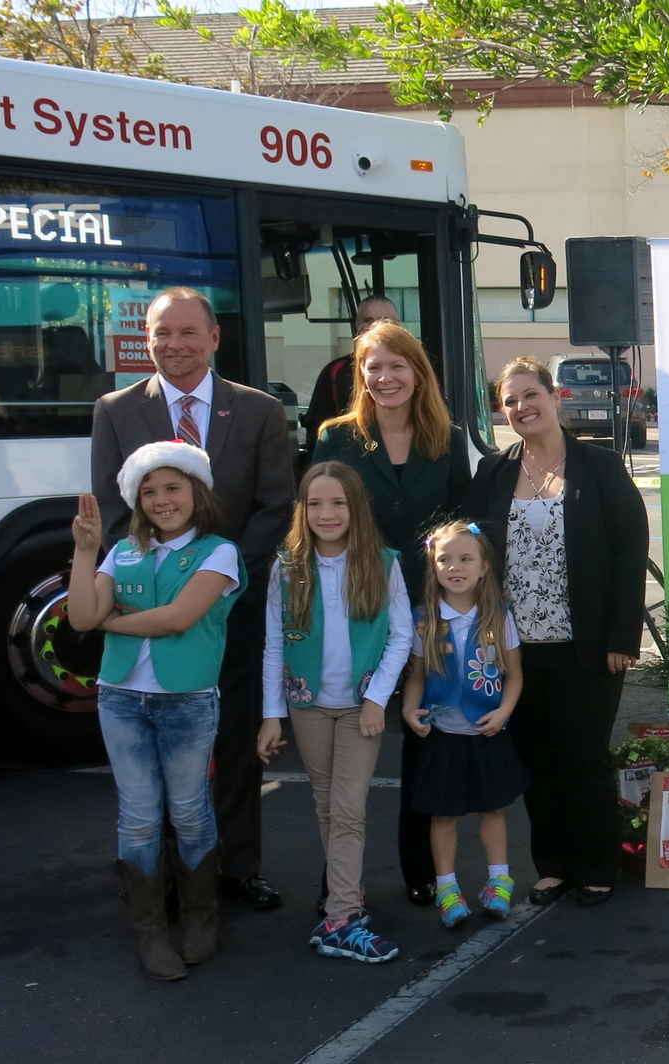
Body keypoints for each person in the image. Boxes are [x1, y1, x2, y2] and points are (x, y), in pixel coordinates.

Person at [90, 287, 293, 912]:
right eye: (162, 334)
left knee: (233, 740)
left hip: (232, 607)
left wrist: (215, 577)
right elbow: (113, 511)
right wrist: (159, 588)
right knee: (159, 754)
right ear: (147, 340)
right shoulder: (115, 410)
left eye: (186, 332)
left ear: (213, 339)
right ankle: (164, 875)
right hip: (151, 613)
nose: (174, 345)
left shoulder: (259, 411)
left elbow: (275, 506)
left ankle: (237, 867)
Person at [468, 357, 649, 907]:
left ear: (554, 397)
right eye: (510, 401)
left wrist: (623, 637)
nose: (522, 407)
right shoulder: (493, 473)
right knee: (536, 761)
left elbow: (630, 550)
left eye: (530, 395)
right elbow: (472, 552)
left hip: (587, 646)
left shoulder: (599, 466)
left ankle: (597, 865)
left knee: (582, 756)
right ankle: (553, 866)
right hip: (516, 649)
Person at [66, 442, 244, 981]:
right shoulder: (122, 551)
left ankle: (200, 917)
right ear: (137, 501)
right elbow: (80, 617)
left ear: (196, 492)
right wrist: (85, 552)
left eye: (172, 487)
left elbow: (177, 619)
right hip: (121, 699)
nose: (162, 499)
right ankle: (148, 930)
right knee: (139, 817)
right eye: (149, 491)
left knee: (189, 811)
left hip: (187, 700)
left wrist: (112, 622)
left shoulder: (219, 552)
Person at [312, 321, 472, 907]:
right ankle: (336, 884)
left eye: (396, 365)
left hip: (430, 608)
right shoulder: (336, 438)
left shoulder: (447, 438)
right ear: (361, 376)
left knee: (422, 736)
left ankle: (420, 868)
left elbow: (462, 522)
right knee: (343, 754)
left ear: (417, 373)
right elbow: (318, 515)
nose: (385, 378)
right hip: (357, 608)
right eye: (373, 367)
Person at [256, 462, 413, 962]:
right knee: (327, 807)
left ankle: (340, 917)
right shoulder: (287, 567)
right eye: (315, 503)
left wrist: (377, 699)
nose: (326, 513)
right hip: (308, 706)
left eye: (338, 503)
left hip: (359, 708)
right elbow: (274, 645)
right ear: (302, 510)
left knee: (348, 809)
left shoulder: (382, 563)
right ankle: (349, 897)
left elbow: (402, 636)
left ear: (356, 508)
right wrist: (271, 715)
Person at [399, 521, 527, 928]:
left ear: (484, 567)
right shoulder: (424, 620)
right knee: (443, 814)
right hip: (443, 734)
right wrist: (409, 709)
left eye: (466, 559)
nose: (455, 567)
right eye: (445, 559)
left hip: (487, 731)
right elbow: (417, 675)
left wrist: (504, 712)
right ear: (433, 566)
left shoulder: (498, 616)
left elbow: (514, 675)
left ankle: (498, 881)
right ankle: (447, 887)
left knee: (493, 809)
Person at [302, 294, 399, 447]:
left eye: (383, 320)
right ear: (357, 325)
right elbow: (318, 429)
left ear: (397, 324)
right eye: (368, 320)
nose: (375, 326)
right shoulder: (335, 372)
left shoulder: (417, 367)